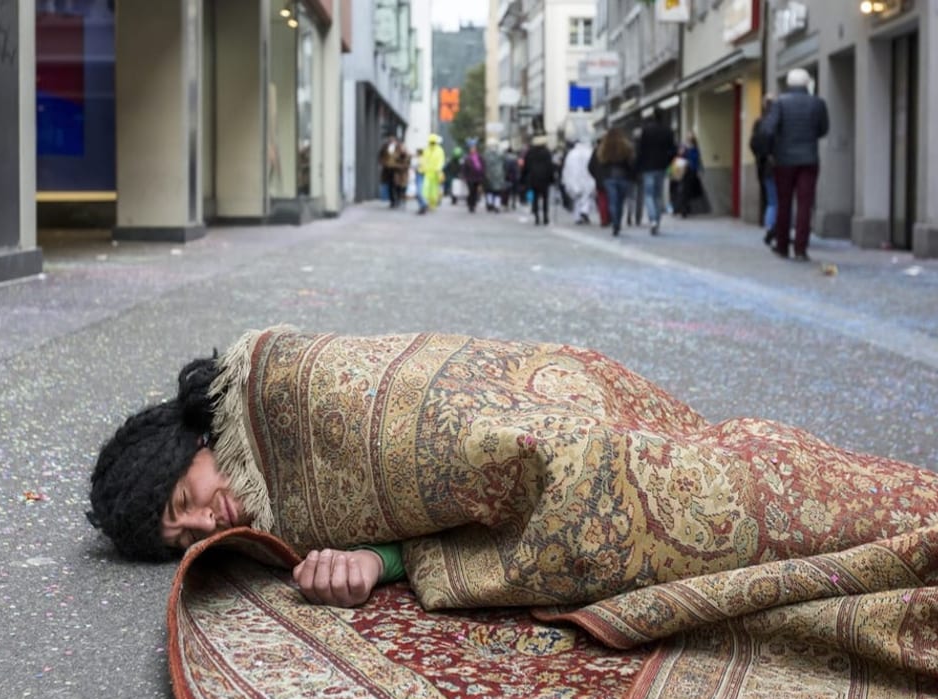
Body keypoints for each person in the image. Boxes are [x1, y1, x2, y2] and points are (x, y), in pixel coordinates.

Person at [88, 327, 938, 629]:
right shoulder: (281, 524)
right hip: (543, 462)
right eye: (186, 539)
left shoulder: (274, 387)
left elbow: (434, 431)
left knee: (722, 476)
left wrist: (374, 548)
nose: (208, 522)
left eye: (183, 502)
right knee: (721, 527)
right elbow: (411, 518)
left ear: (186, 447)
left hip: (548, 407)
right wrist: (373, 562)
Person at [760, 68, 830, 262]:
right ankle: (800, 248)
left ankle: (782, 246)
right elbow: (824, 129)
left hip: (784, 161)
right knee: (805, 205)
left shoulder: (780, 103)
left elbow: (767, 130)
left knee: (784, 203)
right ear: (808, 83)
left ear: (789, 84)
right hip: (809, 159)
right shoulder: (818, 103)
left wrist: (772, 151)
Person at [635, 111, 677, 235]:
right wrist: (669, 164)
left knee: (649, 195)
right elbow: (672, 150)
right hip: (662, 167)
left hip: (648, 168)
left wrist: (638, 167)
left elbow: (640, 150)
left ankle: (652, 219)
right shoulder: (668, 131)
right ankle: (657, 221)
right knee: (658, 195)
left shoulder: (646, 131)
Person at [595, 126, 636, 237]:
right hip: (623, 177)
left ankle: (615, 222)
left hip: (609, 177)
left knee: (612, 201)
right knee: (620, 202)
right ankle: (618, 221)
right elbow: (631, 161)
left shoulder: (604, 146)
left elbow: (601, 161)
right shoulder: (626, 146)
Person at [750, 95, 778, 246]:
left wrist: (761, 157)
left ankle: (769, 229)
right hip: (780, 165)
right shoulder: (778, 122)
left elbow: (753, 144)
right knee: (779, 201)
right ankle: (776, 230)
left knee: (772, 201)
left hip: (765, 166)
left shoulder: (759, 123)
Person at [560, 136, 596, 225]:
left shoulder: (572, 154)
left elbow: (567, 168)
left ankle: (577, 216)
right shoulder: (589, 152)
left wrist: (565, 179)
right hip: (588, 178)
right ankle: (585, 211)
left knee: (577, 199)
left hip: (575, 179)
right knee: (588, 196)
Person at [521, 134, 555, 226]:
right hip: (544, 178)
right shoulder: (547, 153)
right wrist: (552, 179)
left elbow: (526, 167)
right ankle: (545, 217)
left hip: (533, 178)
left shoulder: (530, 153)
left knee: (535, 198)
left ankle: (536, 217)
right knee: (545, 198)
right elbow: (550, 167)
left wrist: (523, 178)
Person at [378, 134, 404, 208]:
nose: (391, 141)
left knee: (397, 185)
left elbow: (404, 157)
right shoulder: (385, 147)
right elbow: (381, 156)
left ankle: (398, 199)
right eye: (390, 140)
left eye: (392, 140)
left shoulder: (399, 147)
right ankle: (393, 201)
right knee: (390, 185)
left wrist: (400, 165)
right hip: (388, 169)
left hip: (397, 170)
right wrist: (383, 163)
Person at [421, 134, 446, 211]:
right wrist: (422, 168)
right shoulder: (426, 150)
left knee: (434, 190)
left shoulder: (439, 150)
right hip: (427, 173)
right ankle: (427, 203)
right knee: (426, 189)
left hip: (435, 174)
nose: (431, 144)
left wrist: (438, 169)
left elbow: (441, 161)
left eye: (433, 142)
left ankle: (433, 204)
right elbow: (423, 160)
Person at [482, 139, 506, 213]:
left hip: (488, 175)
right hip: (498, 175)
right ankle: (496, 206)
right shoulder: (500, 154)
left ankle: (490, 204)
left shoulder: (486, 154)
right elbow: (504, 163)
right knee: (497, 192)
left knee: (489, 191)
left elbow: (483, 164)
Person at [462, 139, 485, 213]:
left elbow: (483, 166)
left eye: (474, 148)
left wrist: (482, 176)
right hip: (469, 177)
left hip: (477, 177)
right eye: (471, 148)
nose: (473, 149)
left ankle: (473, 204)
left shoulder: (479, 157)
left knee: (475, 191)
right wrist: (464, 176)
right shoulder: (467, 158)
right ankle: (470, 204)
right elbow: (464, 168)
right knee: (471, 191)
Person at [413, 148, 428, 215]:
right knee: (419, 192)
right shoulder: (423, 158)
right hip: (420, 175)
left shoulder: (421, 159)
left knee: (419, 192)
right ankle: (423, 206)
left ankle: (424, 205)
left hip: (420, 175)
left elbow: (420, 167)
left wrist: (416, 168)